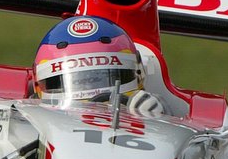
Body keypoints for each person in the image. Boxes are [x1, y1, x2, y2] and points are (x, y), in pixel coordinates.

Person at [33, 16, 163, 116]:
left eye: (104, 77)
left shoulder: (153, 110)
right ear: (37, 84)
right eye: (78, 81)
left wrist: (156, 120)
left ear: (140, 72)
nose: (93, 102)